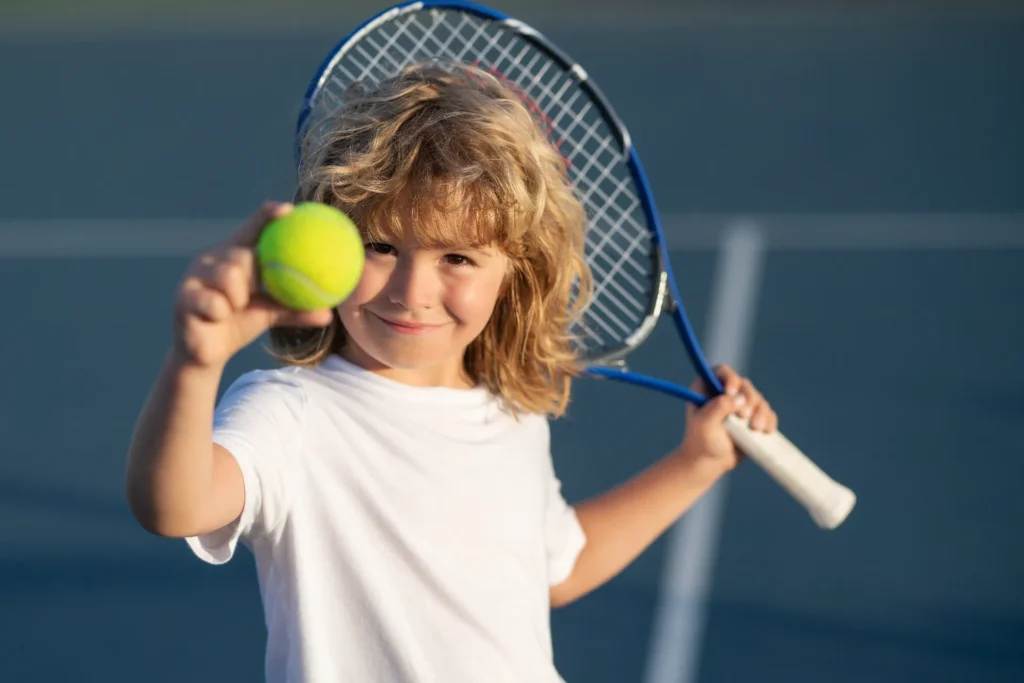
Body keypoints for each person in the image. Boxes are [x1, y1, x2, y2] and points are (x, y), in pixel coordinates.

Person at [125, 63, 777, 683]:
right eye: (380, 246)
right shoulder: (292, 413)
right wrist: (195, 363)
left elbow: (557, 565)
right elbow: (175, 505)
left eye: (458, 257)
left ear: (514, 272)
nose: (412, 291)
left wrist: (695, 462)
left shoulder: (510, 417)